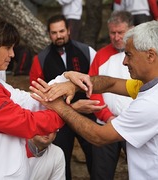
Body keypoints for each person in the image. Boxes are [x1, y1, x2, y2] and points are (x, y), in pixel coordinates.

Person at [30, 20, 158, 180]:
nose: (124, 61)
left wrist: (59, 106)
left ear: (150, 56)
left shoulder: (151, 104)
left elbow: (99, 136)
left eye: (129, 55)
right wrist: (74, 85)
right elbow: (112, 83)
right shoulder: (147, 85)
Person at [0, 15, 65, 180]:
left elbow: (28, 100)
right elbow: (24, 122)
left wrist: (65, 79)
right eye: (8, 47)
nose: (12, 54)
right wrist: (64, 113)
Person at [29, 14, 98, 180]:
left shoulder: (87, 51)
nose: (58, 36)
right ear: (49, 34)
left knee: (96, 157)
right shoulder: (40, 59)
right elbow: (36, 93)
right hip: (57, 118)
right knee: (61, 158)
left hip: (87, 112)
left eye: (61, 31)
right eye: (54, 33)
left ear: (69, 30)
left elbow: (98, 80)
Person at [88, 10, 133, 180]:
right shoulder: (101, 55)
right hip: (106, 124)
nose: (116, 37)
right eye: (112, 33)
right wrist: (106, 116)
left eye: (120, 32)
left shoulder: (142, 54)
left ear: (131, 29)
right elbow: (92, 90)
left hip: (134, 124)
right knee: (101, 173)